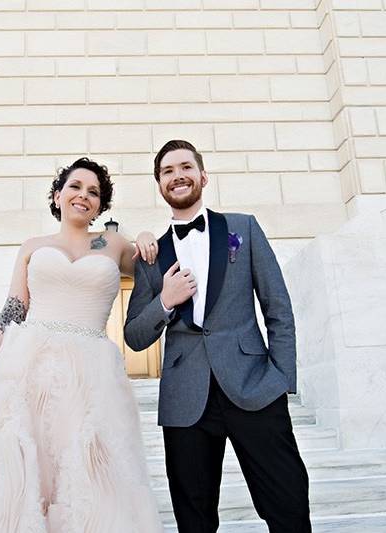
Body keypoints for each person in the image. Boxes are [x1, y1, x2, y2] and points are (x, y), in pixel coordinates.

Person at [0, 157, 163, 533]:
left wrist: (148, 236)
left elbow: (157, 270)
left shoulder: (114, 244)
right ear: (57, 195)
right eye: (75, 187)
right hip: (28, 366)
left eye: (94, 192)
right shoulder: (34, 246)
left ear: (101, 206)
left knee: (88, 474)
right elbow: (12, 313)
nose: (83, 196)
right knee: (24, 474)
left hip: (90, 373)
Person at [124, 140, 311, 532]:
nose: (178, 176)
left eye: (185, 167)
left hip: (255, 387)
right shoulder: (151, 255)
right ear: (159, 184)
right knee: (194, 519)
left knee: (288, 504)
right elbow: (135, 336)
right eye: (167, 171)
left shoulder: (243, 227)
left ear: (202, 176)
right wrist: (164, 302)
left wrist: (281, 380)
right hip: (185, 399)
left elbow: (277, 306)